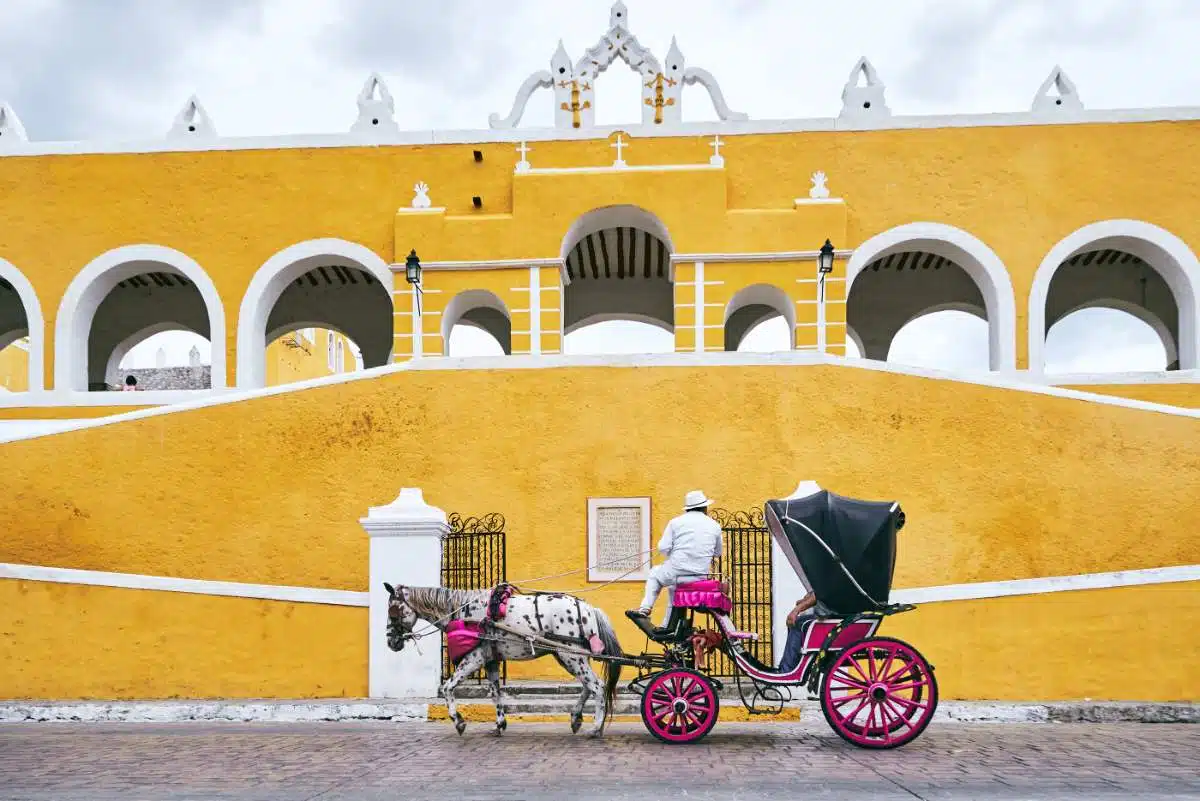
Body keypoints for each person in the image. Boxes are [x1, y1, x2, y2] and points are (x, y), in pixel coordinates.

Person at [629, 490, 723, 625]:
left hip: (676, 572)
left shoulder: (675, 522)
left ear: (688, 508)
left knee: (654, 574)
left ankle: (645, 608)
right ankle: (667, 625)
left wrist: (673, 553)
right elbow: (717, 552)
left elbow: (663, 548)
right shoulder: (715, 526)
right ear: (704, 507)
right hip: (699, 576)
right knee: (674, 588)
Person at [777, 590, 834, 673]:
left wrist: (796, 611)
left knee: (798, 623)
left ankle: (787, 668)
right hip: (828, 614)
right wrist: (805, 601)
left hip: (829, 616)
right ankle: (788, 664)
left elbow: (818, 595)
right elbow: (811, 597)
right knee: (796, 623)